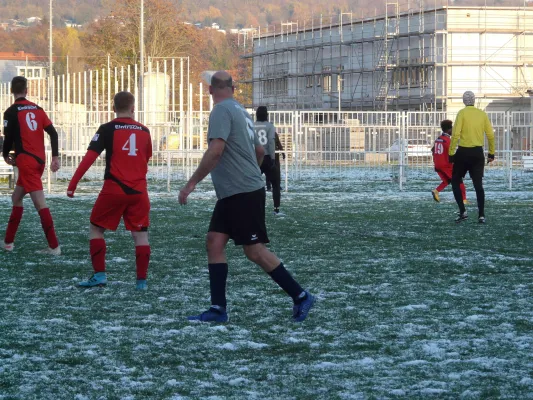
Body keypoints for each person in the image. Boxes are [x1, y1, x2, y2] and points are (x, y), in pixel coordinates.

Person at [179, 71, 315, 323]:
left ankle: (301, 295)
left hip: (241, 192)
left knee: (254, 252)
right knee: (214, 242)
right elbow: (260, 150)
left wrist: (191, 183)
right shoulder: (241, 110)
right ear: (233, 87)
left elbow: (215, 151)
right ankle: (218, 309)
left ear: (210, 90)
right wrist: (252, 172)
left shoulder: (220, 111)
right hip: (237, 191)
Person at [66, 91, 152, 290]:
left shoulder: (107, 129)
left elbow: (89, 158)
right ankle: (141, 282)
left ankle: (100, 275)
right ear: (133, 108)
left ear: (113, 108)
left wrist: (73, 184)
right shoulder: (145, 131)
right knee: (140, 235)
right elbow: (146, 158)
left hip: (114, 188)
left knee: (96, 229)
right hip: (139, 192)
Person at [2, 76, 61, 254]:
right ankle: (8, 243)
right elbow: (53, 133)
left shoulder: (11, 112)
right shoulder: (38, 109)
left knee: (40, 204)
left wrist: (5, 154)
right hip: (38, 161)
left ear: (12, 91)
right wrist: (56, 157)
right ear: (27, 90)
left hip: (26, 161)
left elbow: (9, 138)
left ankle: (54, 246)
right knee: (16, 198)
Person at [449, 91, 495, 224]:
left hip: (463, 152)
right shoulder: (482, 114)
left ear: (464, 101)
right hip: (477, 153)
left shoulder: (461, 113)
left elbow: (456, 134)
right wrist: (491, 153)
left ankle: (463, 211)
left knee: (455, 180)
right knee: (478, 185)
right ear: (474, 101)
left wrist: (451, 153)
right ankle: (481, 215)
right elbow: (490, 135)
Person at [254, 106, 283, 215]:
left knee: (252, 183)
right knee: (275, 184)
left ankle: (253, 207)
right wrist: (272, 157)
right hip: (266, 157)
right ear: (266, 114)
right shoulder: (270, 126)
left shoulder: (252, 125)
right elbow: (271, 141)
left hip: (256, 158)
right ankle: (276, 209)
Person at [431, 119, 467, 204]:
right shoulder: (448, 140)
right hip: (446, 164)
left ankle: (436, 191)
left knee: (447, 181)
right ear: (449, 129)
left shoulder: (438, 139)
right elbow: (452, 153)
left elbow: (432, 150)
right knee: (459, 181)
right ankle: (464, 200)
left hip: (437, 164)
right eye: (452, 129)